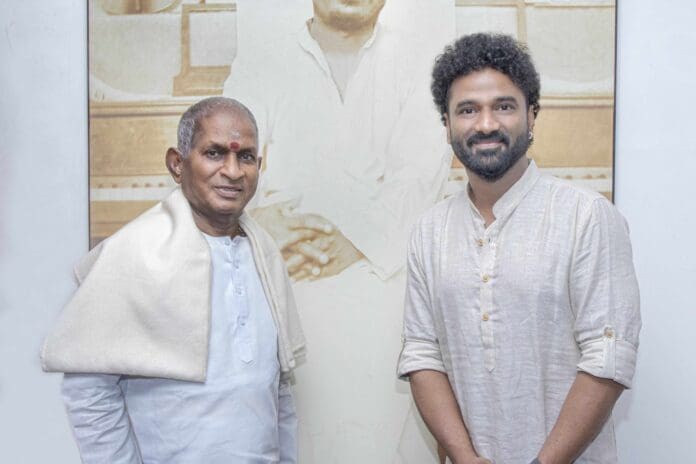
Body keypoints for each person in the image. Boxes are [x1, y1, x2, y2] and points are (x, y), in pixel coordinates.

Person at [223, 1, 454, 462]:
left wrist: (354, 242)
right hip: (290, 288)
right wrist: (259, 223)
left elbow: (421, 179)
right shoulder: (261, 61)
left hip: (388, 297)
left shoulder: (421, 66)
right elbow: (229, 163)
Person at [397, 33, 641, 464]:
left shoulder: (587, 217)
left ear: (531, 116)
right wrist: (464, 457)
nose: (486, 124)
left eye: (504, 106)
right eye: (467, 110)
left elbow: (608, 359)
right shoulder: (429, 231)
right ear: (447, 125)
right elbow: (422, 353)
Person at [41, 97, 305, 463]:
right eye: (214, 154)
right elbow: (89, 392)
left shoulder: (265, 256)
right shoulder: (134, 253)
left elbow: (278, 391)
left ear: (258, 167)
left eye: (245, 157)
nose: (232, 171)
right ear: (177, 164)